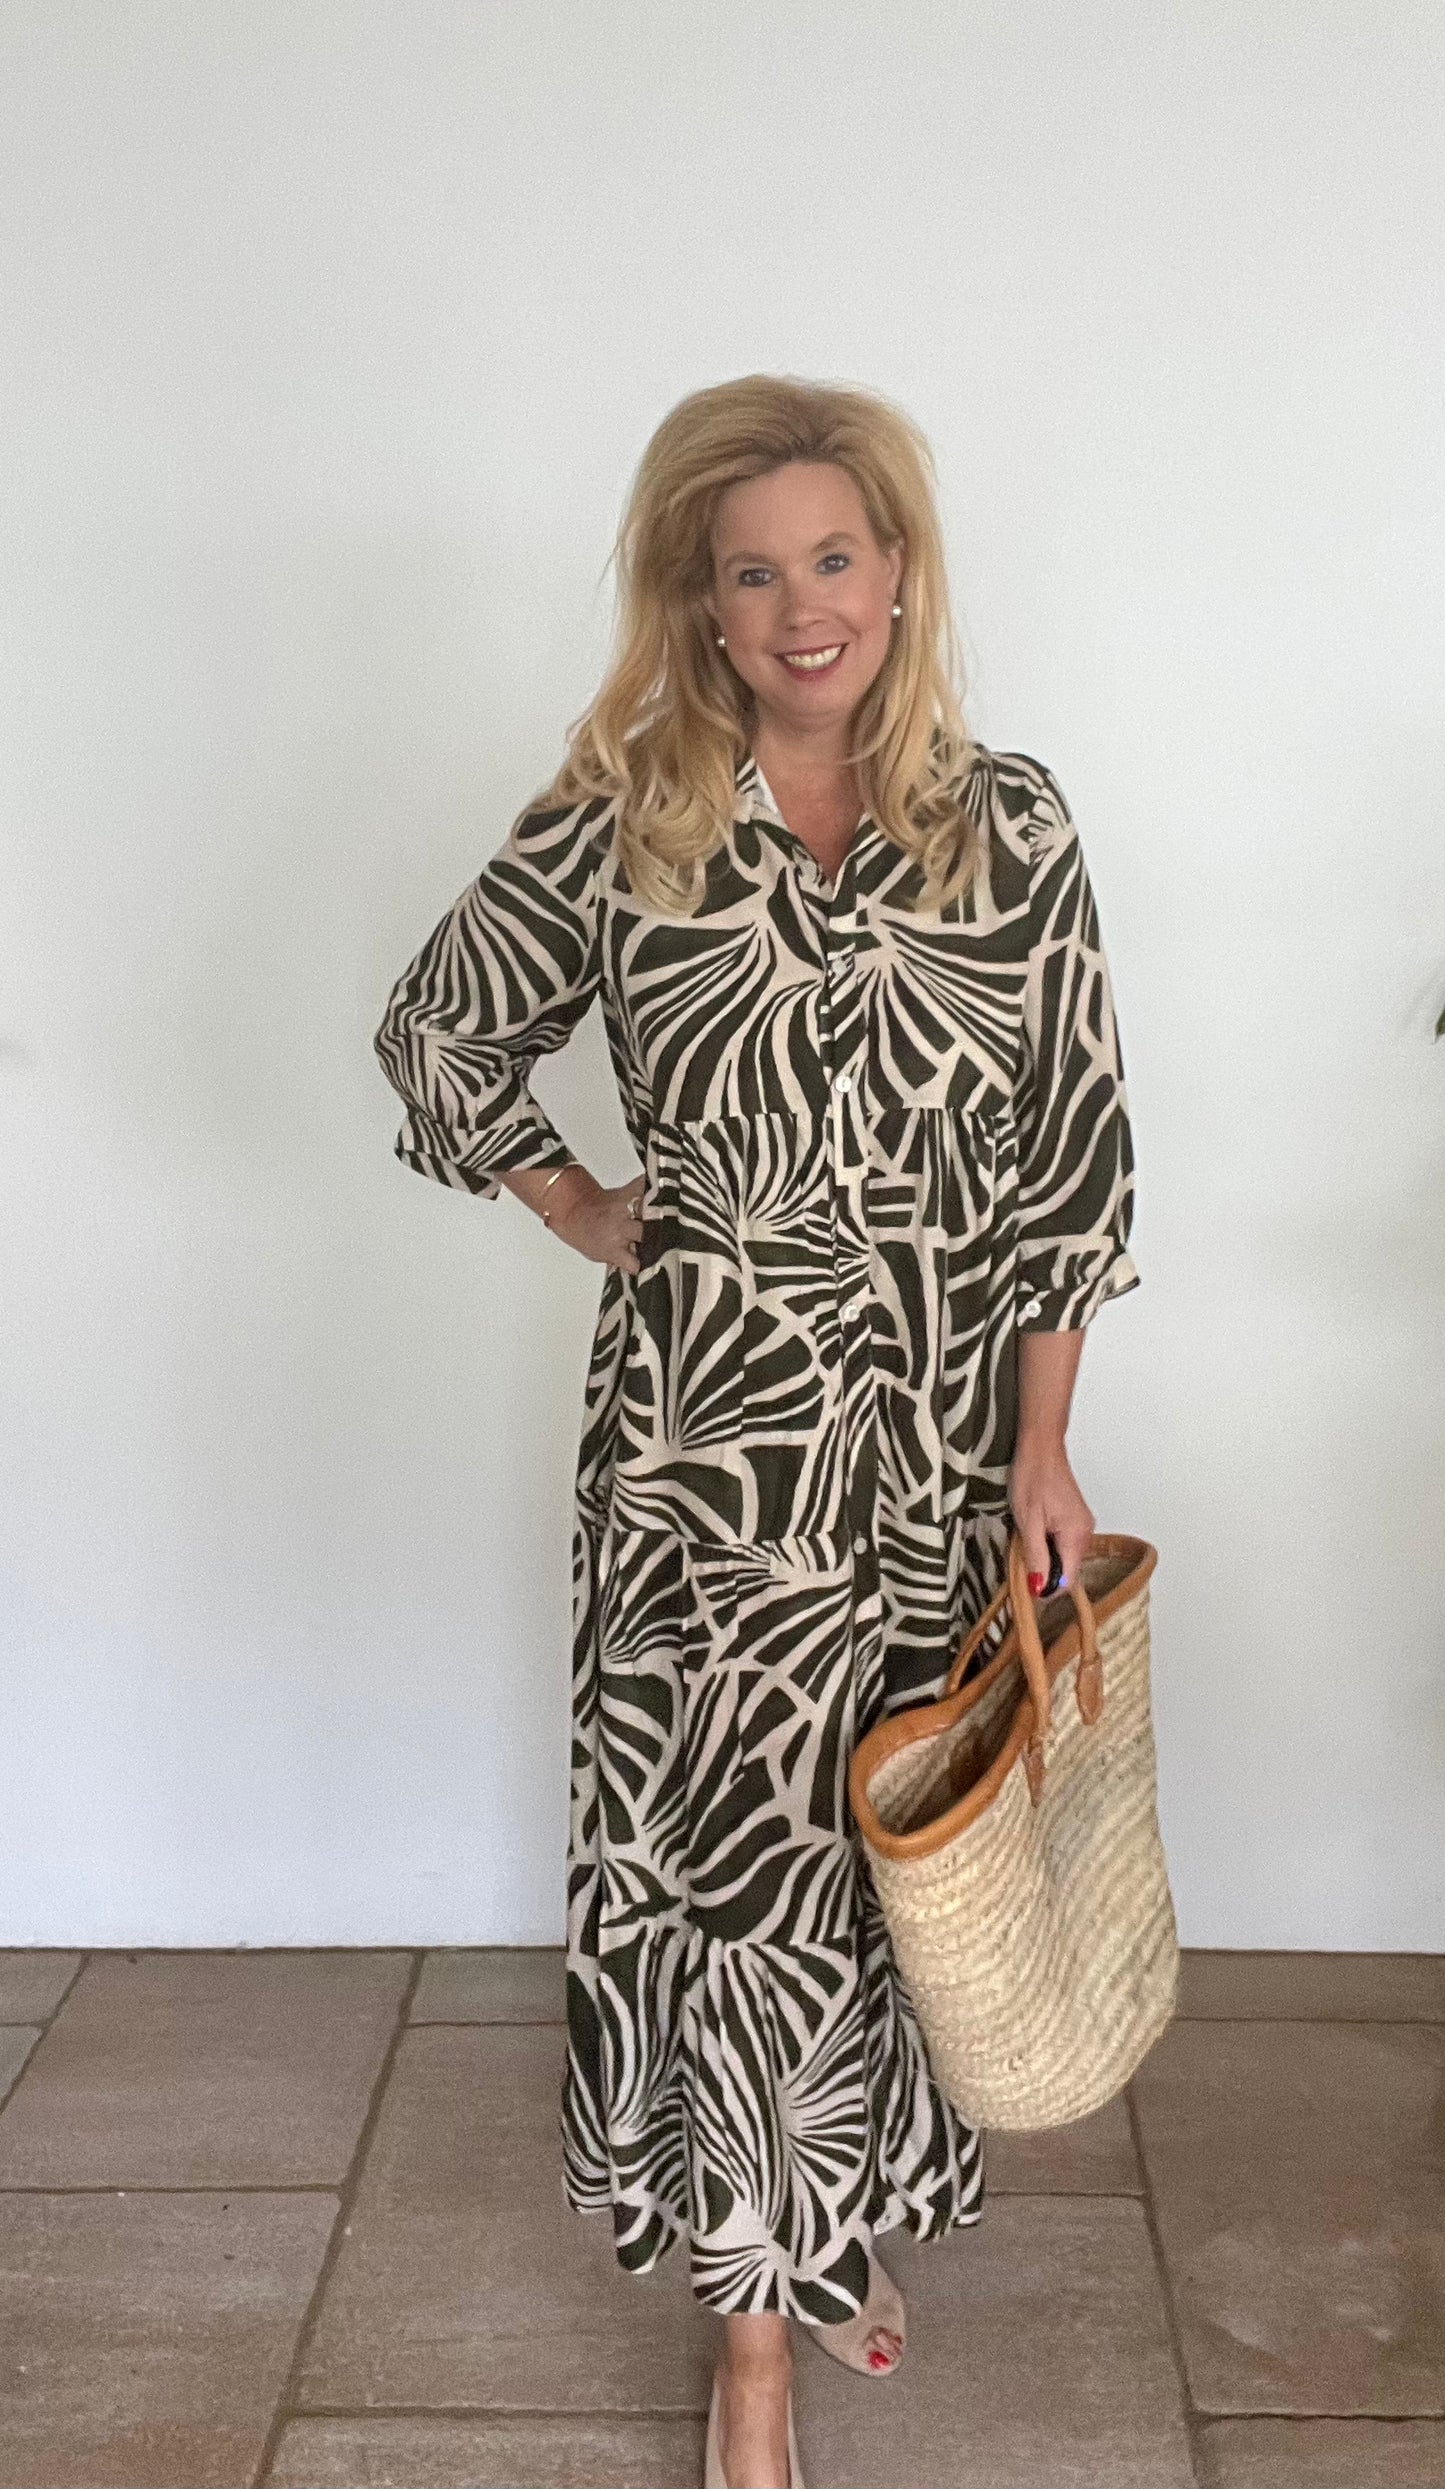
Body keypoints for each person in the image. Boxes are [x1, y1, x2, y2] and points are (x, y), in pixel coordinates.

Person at [373, 374, 1138, 2489]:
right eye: (750, 572)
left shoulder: (1012, 829)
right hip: (705, 1469)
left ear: (897, 570)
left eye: (834, 556)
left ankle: (825, 2223)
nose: (804, 608)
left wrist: (1041, 1450)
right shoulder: (624, 820)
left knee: (891, 1864)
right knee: (731, 1890)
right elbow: (439, 1039)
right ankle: (754, 2351)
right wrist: (583, 1203)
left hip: (931, 1455)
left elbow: (1072, 1169)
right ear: (695, 603)